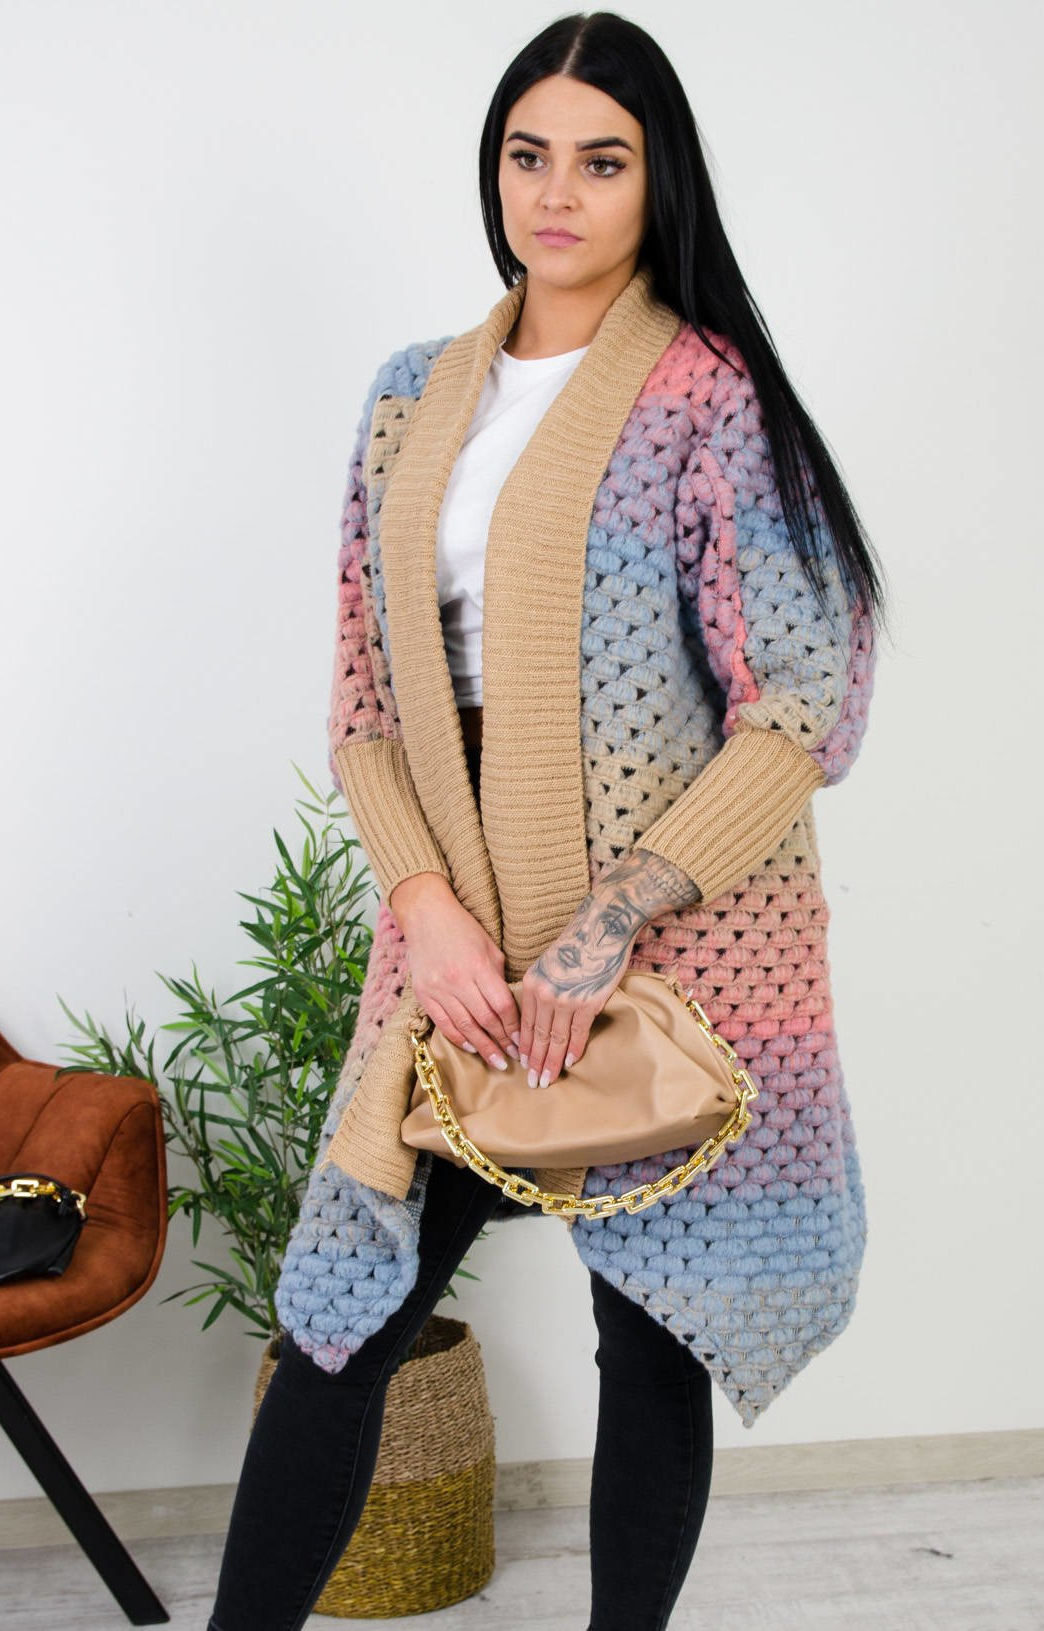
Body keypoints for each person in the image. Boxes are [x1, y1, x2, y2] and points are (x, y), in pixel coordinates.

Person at [206, 12, 887, 1630]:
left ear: (660, 184)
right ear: (494, 171)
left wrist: (607, 926)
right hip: (454, 947)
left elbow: (804, 701)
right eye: (529, 155)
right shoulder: (409, 396)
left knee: (649, 1331)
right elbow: (367, 707)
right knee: (341, 1316)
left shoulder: (707, 397)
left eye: (601, 160)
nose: (557, 193)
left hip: (667, 954)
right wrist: (426, 912)